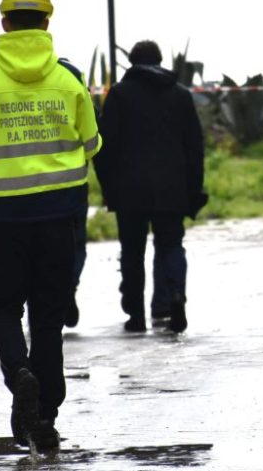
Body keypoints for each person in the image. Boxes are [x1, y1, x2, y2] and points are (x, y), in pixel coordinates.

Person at [0, 0, 99, 450]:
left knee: (4, 308)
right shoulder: (68, 79)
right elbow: (92, 142)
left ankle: (20, 374)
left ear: (4, 22)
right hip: (59, 218)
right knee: (48, 315)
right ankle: (46, 413)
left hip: (6, 221)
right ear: (47, 22)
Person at [94, 40, 205, 334]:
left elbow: (104, 147)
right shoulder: (180, 95)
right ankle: (175, 295)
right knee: (170, 246)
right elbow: (195, 147)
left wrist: (109, 188)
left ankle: (136, 316)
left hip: (129, 191)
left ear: (131, 63)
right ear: (159, 61)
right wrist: (193, 189)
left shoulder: (119, 95)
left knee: (132, 252)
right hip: (172, 189)